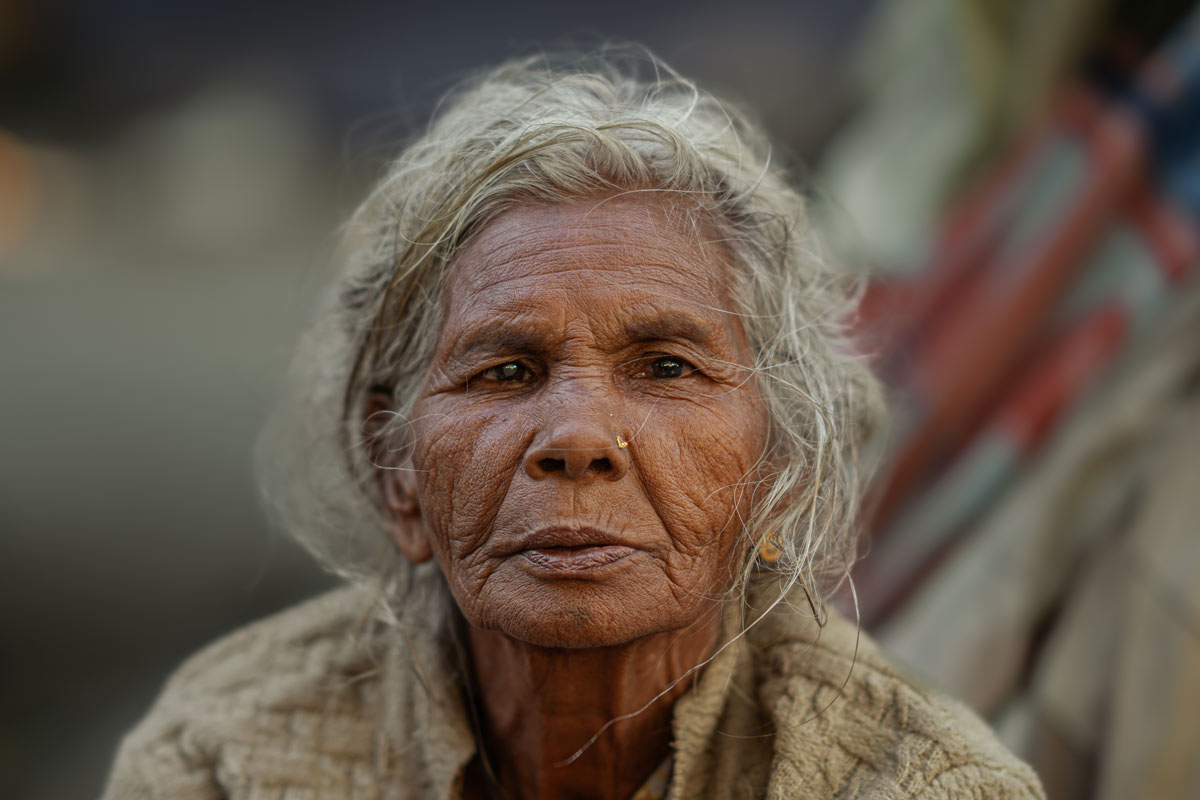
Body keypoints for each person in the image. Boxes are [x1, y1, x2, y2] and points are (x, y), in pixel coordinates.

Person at [101, 52, 1045, 799]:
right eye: (506, 371)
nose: (579, 437)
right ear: (396, 476)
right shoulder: (225, 763)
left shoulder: (919, 787)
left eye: (667, 368)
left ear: (781, 471)